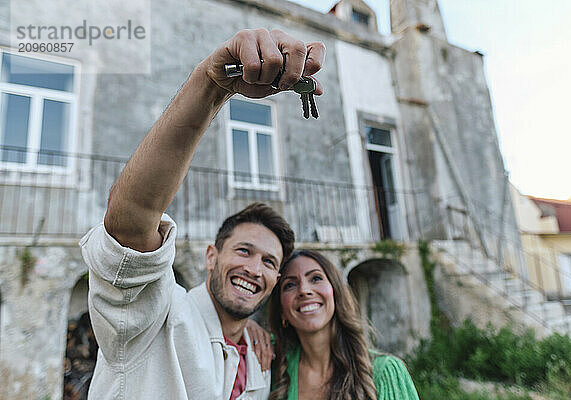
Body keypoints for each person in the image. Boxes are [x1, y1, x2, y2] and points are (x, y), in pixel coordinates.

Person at [79, 28, 325, 399]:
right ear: (211, 256)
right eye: (243, 251)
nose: (254, 269)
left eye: (269, 262)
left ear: (276, 279)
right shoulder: (152, 316)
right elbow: (132, 222)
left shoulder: (261, 360)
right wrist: (212, 86)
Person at [268, 250, 420, 400]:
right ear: (281, 310)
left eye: (316, 278)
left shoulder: (383, 372)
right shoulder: (272, 366)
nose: (304, 290)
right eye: (290, 285)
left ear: (336, 293)